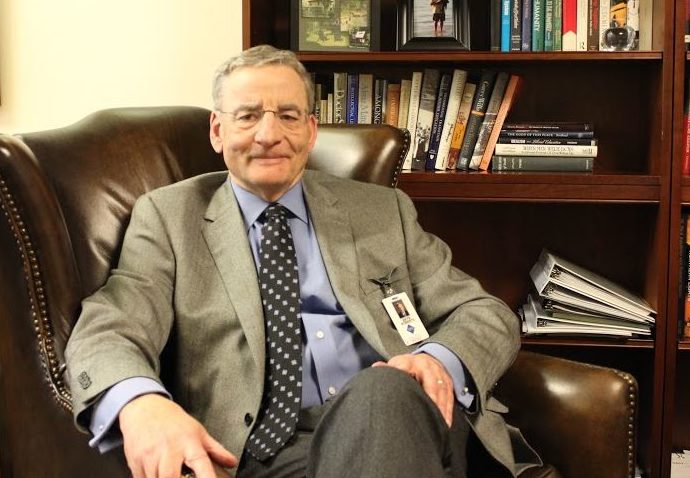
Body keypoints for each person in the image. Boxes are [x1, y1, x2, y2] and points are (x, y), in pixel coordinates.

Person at [65, 45, 540, 478]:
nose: (269, 135)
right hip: (265, 453)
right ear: (218, 130)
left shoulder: (380, 209)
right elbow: (112, 325)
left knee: (382, 393)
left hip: (405, 423)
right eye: (248, 116)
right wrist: (139, 401)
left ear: (311, 131)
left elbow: (485, 313)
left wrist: (436, 361)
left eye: (288, 116)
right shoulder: (170, 218)